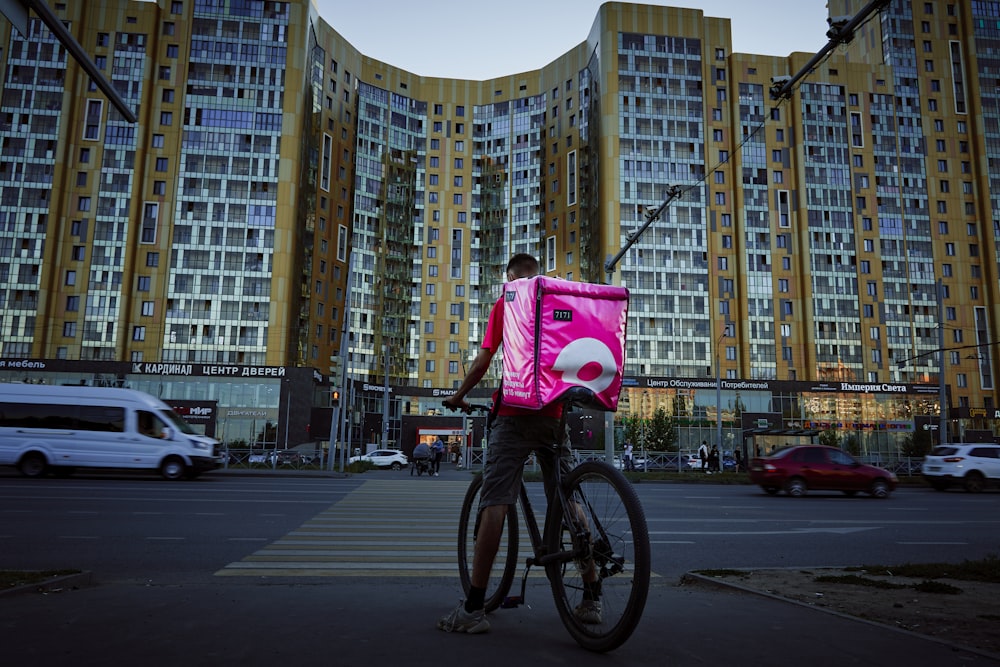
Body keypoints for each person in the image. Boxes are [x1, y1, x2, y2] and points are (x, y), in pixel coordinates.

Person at [437, 253, 602, 635]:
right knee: (568, 498)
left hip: (512, 415)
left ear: (509, 279)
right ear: (538, 276)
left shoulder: (507, 304)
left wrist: (459, 394)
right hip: (554, 416)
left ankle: (474, 608)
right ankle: (592, 596)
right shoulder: (558, 306)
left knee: (495, 500)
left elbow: (482, 362)